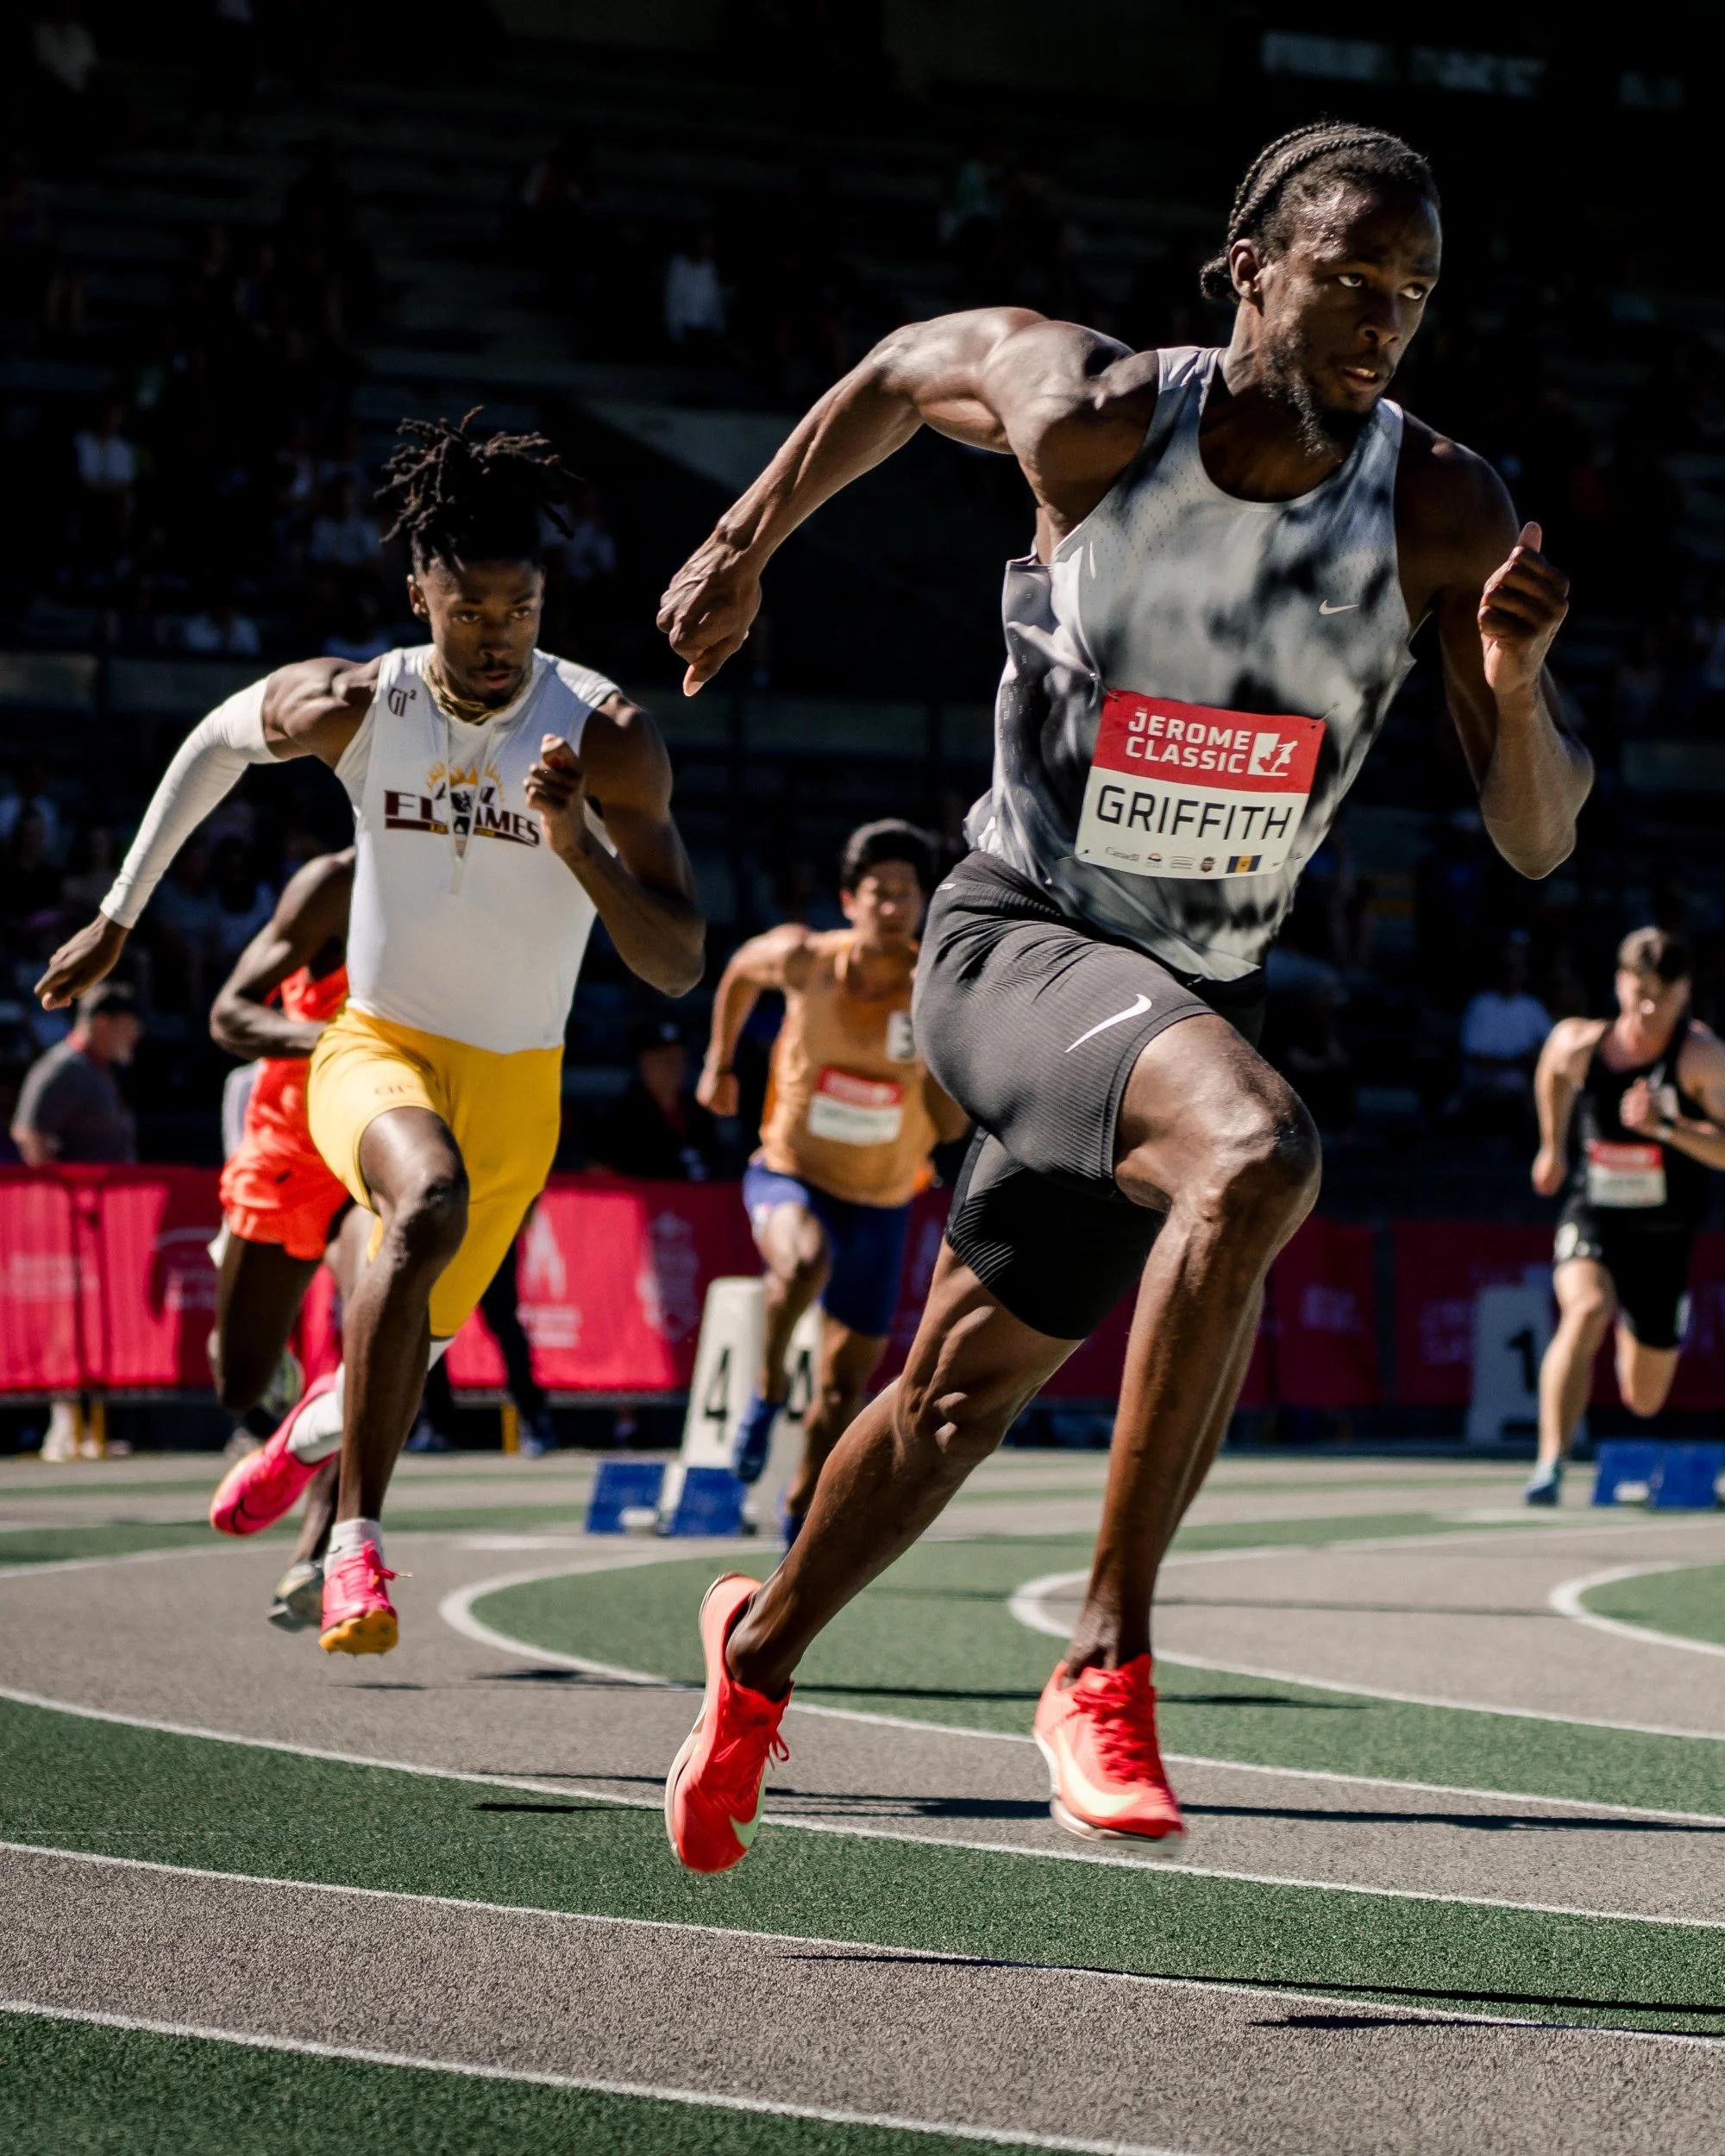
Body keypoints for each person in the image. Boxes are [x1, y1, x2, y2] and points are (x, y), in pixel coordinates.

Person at [655, 119, 1588, 1871]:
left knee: (948, 1394)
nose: (1381, 319)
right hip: (1011, 938)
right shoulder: (1095, 411)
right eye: (1347, 277)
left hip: (1169, 996)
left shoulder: (1441, 505)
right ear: (1250, 265)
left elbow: (1534, 840)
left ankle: (754, 1650)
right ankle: (1099, 1657)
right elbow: (893, 366)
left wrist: (1518, 685)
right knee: (1254, 1154)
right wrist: (745, 538)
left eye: (1413, 293)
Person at [37, 411, 704, 1652]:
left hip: (522, 1090)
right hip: (375, 1049)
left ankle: (307, 1437)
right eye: (468, 609)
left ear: (545, 596)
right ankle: (357, 1548)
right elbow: (210, 744)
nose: (495, 636)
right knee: (424, 1202)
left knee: (406, 1352)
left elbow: (676, 962)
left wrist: (578, 847)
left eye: (517, 608)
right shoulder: (359, 702)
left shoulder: (605, 735)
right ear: (419, 597)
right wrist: (121, 914)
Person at [698, 820, 968, 1539]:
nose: (893, 907)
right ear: (850, 899)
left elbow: (947, 1131)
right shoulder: (804, 958)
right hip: (792, 1173)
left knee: (845, 1387)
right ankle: (767, 1385)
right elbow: (735, 973)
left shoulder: (936, 991)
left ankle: (797, 1516)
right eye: (879, 892)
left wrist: (928, 1055)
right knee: (804, 1260)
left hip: (882, 1202)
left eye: (907, 894)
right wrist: (719, 1063)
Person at [201, 847, 367, 1626]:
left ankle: (318, 1555)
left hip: (373, 1157)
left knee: (380, 1342)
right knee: (238, 1381)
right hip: (289, 1154)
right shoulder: (336, 884)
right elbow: (229, 1015)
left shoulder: (471, 898)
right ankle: (274, 1385)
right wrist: (331, 1045)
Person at [1525, 929, 1725, 1505]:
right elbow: (1552, 1073)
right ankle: (1549, 1465)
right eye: (1636, 992)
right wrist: (1550, 1145)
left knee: (1644, 1397)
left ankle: (1637, 1332)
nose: (1645, 1008)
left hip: (1664, 1234)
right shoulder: (1582, 1043)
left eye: (1660, 996)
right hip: (1594, 1214)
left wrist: (1668, 1128)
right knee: (1585, 1310)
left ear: (1685, 992)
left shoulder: (1700, 1057)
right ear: (1617, 982)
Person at [11, 978, 141, 1460]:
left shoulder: (98, 1070)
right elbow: (30, 1132)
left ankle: (94, 1430)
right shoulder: (63, 1068)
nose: (134, 1039)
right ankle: (66, 1428)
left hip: (102, 1225)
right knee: (67, 1321)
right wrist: (62, 1196)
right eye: (127, 1028)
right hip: (71, 1224)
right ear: (102, 1023)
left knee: (98, 1322)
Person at [593, 1016, 725, 1182]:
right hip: (647, 1204)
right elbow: (600, 1173)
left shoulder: (699, 1112)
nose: (672, 1067)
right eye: (663, 1059)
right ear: (644, 1062)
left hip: (696, 1203)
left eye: (678, 1058)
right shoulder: (621, 1116)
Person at [1457, 940, 1549, 1140]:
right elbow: (1474, 1056)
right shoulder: (1481, 1005)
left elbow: (1551, 1045)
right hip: (1485, 1085)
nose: (1511, 975)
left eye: (1516, 969)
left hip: (1524, 1086)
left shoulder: (1531, 1006)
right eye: (1506, 969)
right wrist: (1514, 1063)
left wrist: (1534, 1058)